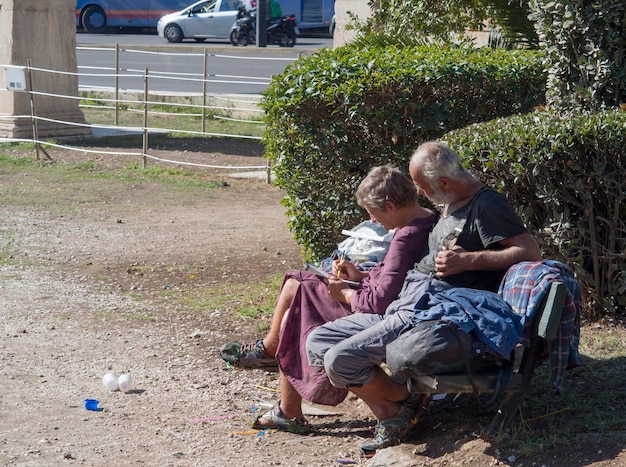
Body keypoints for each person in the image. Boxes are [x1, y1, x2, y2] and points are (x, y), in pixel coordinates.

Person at [306, 141, 543, 452]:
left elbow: (530, 252)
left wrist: (468, 261)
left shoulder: (486, 205)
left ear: (443, 183)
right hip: (407, 300)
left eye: (421, 186)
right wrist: (364, 277)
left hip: (431, 309)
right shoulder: (451, 200)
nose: (417, 193)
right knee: (318, 342)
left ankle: (395, 410)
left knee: (340, 360)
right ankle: (402, 403)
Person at [220, 165, 435, 432]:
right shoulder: (424, 219)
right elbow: (391, 277)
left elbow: (380, 301)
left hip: (384, 312)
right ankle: (276, 371)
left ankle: (282, 385)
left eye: (372, 212)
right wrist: (360, 276)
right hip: (380, 299)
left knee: (297, 309)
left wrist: (345, 293)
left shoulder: (406, 236)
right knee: (297, 286)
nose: (372, 220)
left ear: (390, 206)